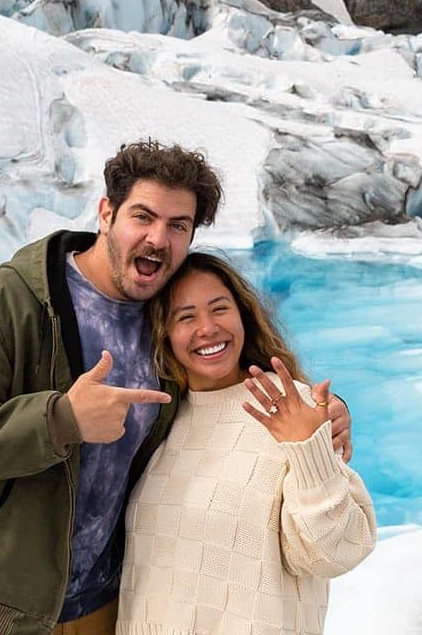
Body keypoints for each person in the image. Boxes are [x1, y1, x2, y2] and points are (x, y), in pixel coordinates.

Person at [0, 140, 353, 635]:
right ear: (106, 212)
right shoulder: (6, 305)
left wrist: (325, 408)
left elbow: (226, 381)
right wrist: (61, 420)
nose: (158, 238)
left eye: (178, 225)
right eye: (143, 216)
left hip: (102, 604)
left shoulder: (163, 317)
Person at [118, 252, 377, 635]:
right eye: (185, 317)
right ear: (163, 334)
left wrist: (309, 450)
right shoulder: (157, 420)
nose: (207, 328)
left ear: (244, 316)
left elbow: (333, 553)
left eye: (219, 309)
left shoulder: (296, 410)